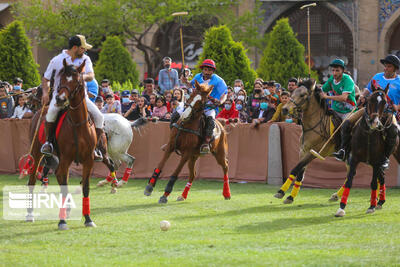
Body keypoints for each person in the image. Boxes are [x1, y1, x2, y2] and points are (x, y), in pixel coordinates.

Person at [40, 35, 106, 161]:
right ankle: (49, 143)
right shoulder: (56, 60)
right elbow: (46, 78)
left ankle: (96, 148)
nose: (85, 51)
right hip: (61, 97)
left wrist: (82, 77)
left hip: (81, 98)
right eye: (83, 48)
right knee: (51, 113)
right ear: (75, 48)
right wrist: (44, 93)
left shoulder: (85, 59)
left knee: (99, 116)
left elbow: (91, 75)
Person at [335, 54, 400, 168]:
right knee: (347, 123)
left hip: (389, 113)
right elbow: (368, 89)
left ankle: (385, 158)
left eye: (389, 66)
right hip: (371, 110)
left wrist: (397, 107)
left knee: (393, 130)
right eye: (385, 66)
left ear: (395, 68)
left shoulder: (399, 81)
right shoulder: (377, 77)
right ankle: (343, 151)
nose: (385, 68)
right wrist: (363, 96)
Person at [181, 59, 228, 154]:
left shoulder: (219, 81)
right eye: (205, 69)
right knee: (180, 115)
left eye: (209, 70)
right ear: (202, 69)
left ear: (213, 71)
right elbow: (190, 85)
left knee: (210, 119)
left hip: (209, 107)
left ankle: (206, 142)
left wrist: (220, 101)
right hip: (196, 106)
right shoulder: (198, 76)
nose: (207, 72)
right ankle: (175, 138)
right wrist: (185, 81)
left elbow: (224, 94)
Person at [318, 59, 357, 162]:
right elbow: (322, 90)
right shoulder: (331, 79)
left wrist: (327, 97)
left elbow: (344, 98)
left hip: (349, 110)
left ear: (342, 70)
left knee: (345, 126)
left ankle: (343, 151)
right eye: (333, 70)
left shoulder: (348, 79)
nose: (334, 73)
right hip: (336, 109)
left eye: (337, 71)